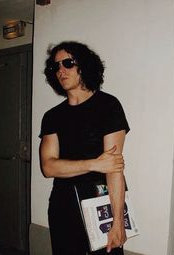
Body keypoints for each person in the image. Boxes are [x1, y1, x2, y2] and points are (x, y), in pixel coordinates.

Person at [39, 41, 130, 255]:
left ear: (85, 65)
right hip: (63, 205)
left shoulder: (109, 106)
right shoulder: (52, 116)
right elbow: (48, 167)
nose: (60, 70)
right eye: (56, 66)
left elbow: (114, 169)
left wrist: (118, 221)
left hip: (102, 202)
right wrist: (95, 163)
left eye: (68, 63)